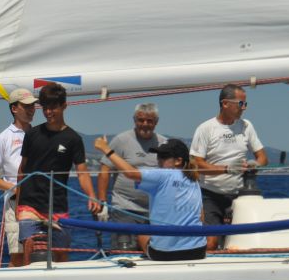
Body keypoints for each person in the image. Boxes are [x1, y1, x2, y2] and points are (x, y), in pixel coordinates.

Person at [17, 82, 101, 262]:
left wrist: (91, 195)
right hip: (29, 204)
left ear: (64, 106)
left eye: (53, 107)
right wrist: (18, 197)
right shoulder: (32, 134)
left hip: (57, 204)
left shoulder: (73, 139)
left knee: (61, 254)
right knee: (31, 250)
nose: (48, 112)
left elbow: (82, 172)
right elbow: (22, 168)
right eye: (45, 108)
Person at [94, 136, 206, 261]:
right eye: (158, 156)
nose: (158, 161)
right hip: (198, 251)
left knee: (143, 232)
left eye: (163, 157)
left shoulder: (163, 174)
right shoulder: (194, 180)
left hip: (164, 254)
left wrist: (106, 149)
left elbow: (130, 173)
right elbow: (201, 217)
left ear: (178, 161)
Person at [190, 84, 268, 250]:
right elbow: (196, 164)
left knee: (240, 244)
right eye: (241, 103)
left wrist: (256, 164)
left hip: (239, 195)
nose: (244, 108)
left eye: (245, 104)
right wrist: (226, 169)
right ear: (225, 104)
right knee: (210, 243)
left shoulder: (246, 126)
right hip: (210, 196)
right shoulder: (206, 129)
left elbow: (262, 157)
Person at [96, 103, 167, 253]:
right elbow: (105, 169)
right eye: (141, 120)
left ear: (156, 122)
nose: (145, 124)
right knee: (125, 253)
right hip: (125, 208)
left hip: (155, 211)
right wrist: (102, 202)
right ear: (134, 120)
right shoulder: (121, 140)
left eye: (149, 121)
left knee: (156, 254)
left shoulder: (163, 143)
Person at [0, 87, 37, 267]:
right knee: (18, 256)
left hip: (40, 200)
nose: (32, 109)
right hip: (16, 203)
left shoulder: (39, 134)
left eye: (33, 106)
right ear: (14, 108)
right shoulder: (5, 137)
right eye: (26, 106)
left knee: (40, 253)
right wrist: (15, 188)